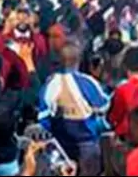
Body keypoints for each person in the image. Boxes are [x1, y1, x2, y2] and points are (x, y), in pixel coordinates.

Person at [38, 42, 109, 174]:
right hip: (88, 144)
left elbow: (42, 118)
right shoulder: (88, 82)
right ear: (79, 60)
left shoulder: (49, 85)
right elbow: (105, 106)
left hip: (61, 145)